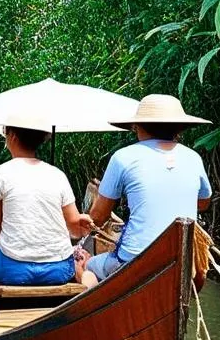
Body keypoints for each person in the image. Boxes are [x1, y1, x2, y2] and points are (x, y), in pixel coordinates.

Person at [81, 94, 212, 288]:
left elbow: (98, 216)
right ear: (178, 129)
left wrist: (82, 232)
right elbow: (202, 203)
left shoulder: (123, 157)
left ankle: (92, 315)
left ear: (138, 126)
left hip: (134, 259)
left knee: (86, 266)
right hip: (181, 261)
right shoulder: (193, 157)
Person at [0, 113, 93, 286]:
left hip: (13, 269)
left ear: (12, 136)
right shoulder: (57, 175)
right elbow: (74, 227)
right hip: (59, 269)